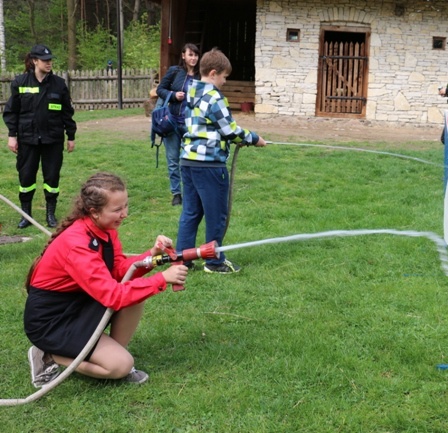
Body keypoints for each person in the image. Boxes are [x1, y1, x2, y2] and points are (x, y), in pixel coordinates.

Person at [23, 172, 188, 388]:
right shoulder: (77, 244)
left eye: (126, 206)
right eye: (117, 209)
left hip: (80, 302)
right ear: (94, 212)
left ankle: (107, 353)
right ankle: (48, 354)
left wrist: (153, 255)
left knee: (135, 296)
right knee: (120, 366)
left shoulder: (106, 230)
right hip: (52, 321)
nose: (125, 214)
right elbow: (112, 295)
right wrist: (162, 279)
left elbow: (119, 271)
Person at [176, 48, 266, 274]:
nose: (225, 82)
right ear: (214, 73)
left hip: (188, 161)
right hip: (209, 166)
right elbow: (230, 130)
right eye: (224, 77)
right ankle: (214, 261)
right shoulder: (215, 97)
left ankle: (182, 259)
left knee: (190, 212)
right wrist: (254, 139)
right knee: (216, 215)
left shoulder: (190, 91)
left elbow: (206, 127)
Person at [3, 44, 76, 229]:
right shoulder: (20, 82)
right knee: (26, 177)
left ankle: (50, 213)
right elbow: (12, 112)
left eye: (50, 60)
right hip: (28, 138)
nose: (49, 63)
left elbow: (67, 112)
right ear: (35, 61)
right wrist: (12, 135)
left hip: (53, 138)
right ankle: (25, 214)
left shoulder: (59, 84)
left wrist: (71, 135)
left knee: (52, 178)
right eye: (45, 60)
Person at [156, 43, 200, 206]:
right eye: (190, 55)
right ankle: (176, 193)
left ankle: (192, 192)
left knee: (192, 159)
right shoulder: (174, 71)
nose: (193, 58)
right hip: (172, 122)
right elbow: (160, 89)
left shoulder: (200, 76)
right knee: (173, 159)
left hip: (191, 124)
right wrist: (173, 95)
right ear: (183, 56)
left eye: (195, 55)